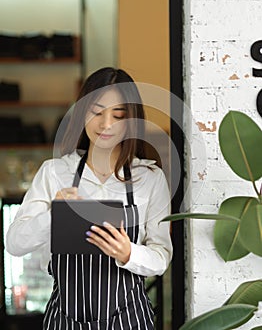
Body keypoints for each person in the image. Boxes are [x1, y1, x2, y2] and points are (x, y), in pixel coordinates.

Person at [6, 67, 173, 330]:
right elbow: (14, 244)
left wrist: (129, 252)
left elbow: (161, 257)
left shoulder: (150, 178)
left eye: (118, 115)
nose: (106, 124)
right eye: (96, 112)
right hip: (64, 321)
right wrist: (53, 213)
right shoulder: (54, 172)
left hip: (130, 321)